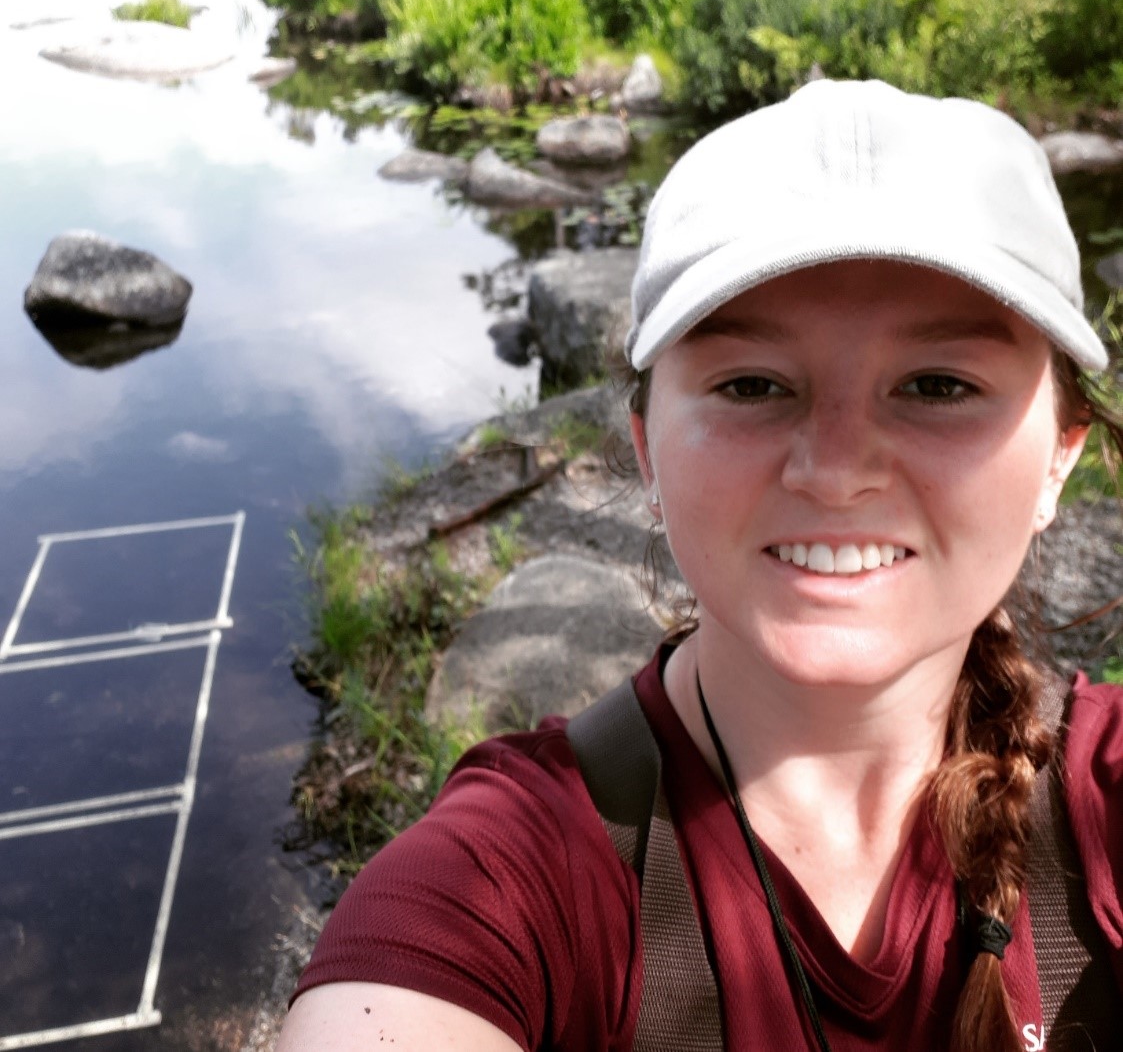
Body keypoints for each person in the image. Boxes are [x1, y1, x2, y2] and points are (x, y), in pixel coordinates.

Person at [276, 79, 1123, 1052]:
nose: (834, 469)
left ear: (1059, 454)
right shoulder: (513, 873)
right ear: (646, 449)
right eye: (751, 383)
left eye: (938, 385)